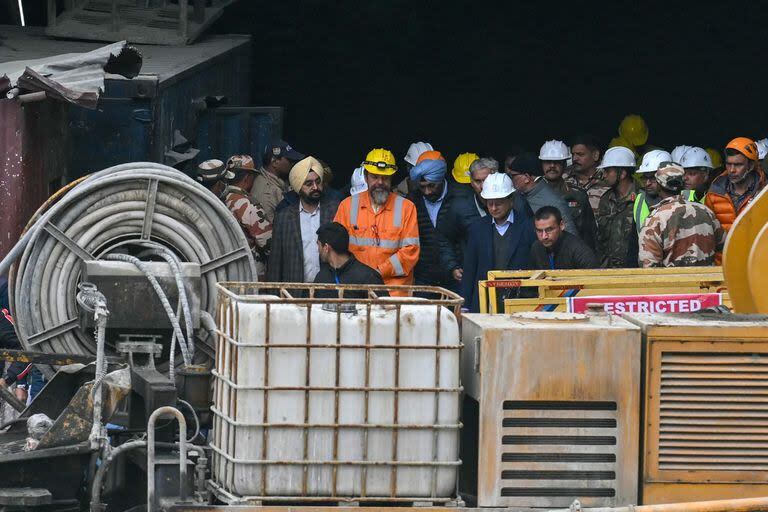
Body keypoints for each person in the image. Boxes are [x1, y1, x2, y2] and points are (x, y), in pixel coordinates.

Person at [334, 148, 420, 296]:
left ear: (392, 178)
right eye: (374, 177)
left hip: (394, 294)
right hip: (356, 290)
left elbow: (410, 252)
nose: (380, 182)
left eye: (385, 178)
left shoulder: (407, 208)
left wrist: (378, 272)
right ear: (366, 177)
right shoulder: (347, 206)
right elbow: (336, 249)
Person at [461, 173, 536, 312]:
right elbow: (470, 271)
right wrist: (464, 306)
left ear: (511, 200)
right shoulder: (477, 229)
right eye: (490, 203)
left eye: (499, 203)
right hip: (485, 303)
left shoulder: (527, 226)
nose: (494, 208)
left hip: (519, 302)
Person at [267, 156, 340, 284]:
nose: (315, 187)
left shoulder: (334, 210)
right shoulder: (284, 217)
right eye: (309, 184)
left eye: (318, 182)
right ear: (298, 187)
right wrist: (274, 297)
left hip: (328, 290)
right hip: (294, 292)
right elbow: (275, 262)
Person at [639, 163, 724, 267]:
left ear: (658, 184)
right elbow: (725, 246)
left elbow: (649, 266)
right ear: (682, 184)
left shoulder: (654, 220)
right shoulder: (705, 211)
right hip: (705, 281)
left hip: (675, 282)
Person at [408, 151, 463, 290]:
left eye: (431, 185)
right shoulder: (411, 201)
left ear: (441, 178)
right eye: (422, 186)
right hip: (424, 279)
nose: (427, 192)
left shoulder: (460, 197)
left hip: (456, 277)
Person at [539, 140, 597, 249]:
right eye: (548, 161)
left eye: (557, 162)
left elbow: (589, 236)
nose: (552, 166)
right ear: (541, 163)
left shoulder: (579, 195)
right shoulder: (531, 195)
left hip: (572, 257)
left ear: (565, 164)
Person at [505, 152, 579, 236]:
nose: (510, 179)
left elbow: (571, 238)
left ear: (526, 177)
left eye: (513, 176)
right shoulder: (515, 196)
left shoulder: (555, 203)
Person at [224, 155, 273, 278]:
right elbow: (266, 241)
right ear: (247, 178)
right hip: (249, 271)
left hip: (228, 267)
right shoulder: (246, 203)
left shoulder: (221, 198)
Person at [705, 137, 766, 232]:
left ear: (751, 165)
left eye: (738, 164)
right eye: (728, 164)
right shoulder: (714, 193)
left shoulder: (764, 192)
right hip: (725, 247)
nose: (731, 170)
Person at [313, 222, 386, 298]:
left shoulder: (369, 278)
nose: (318, 250)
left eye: (318, 245)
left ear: (326, 247)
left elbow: (385, 309)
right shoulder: (321, 277)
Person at [595, 146, 639, 268]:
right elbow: (600, 239)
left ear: (623, 173)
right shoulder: (606, 199)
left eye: (608, 171)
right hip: (608, 270)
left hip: (634, 271)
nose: (604, 175)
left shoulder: (642, 198)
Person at [250, 139, 305, 222]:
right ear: (275, 162)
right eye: (290, 160)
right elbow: (270, 231)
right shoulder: (267, 193)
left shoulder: (278, 183)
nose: (293, 164)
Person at [529, 206, 598, 270]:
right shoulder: (536, 248)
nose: (544, 236)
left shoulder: (580, 252)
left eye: (549, 230)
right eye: (539, 231)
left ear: (561, 225)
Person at [566, 134, 608, 214]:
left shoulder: (607, 178)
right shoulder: (564, 178)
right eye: (573, 154)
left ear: (595, 155)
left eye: (580, 154)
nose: (574, 159)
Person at [633, 149, 672, 232]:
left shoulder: (686, 198)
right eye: (645, 178)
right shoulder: (640, 200)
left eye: (653, 178)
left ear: (667, 176)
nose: (647, 183)